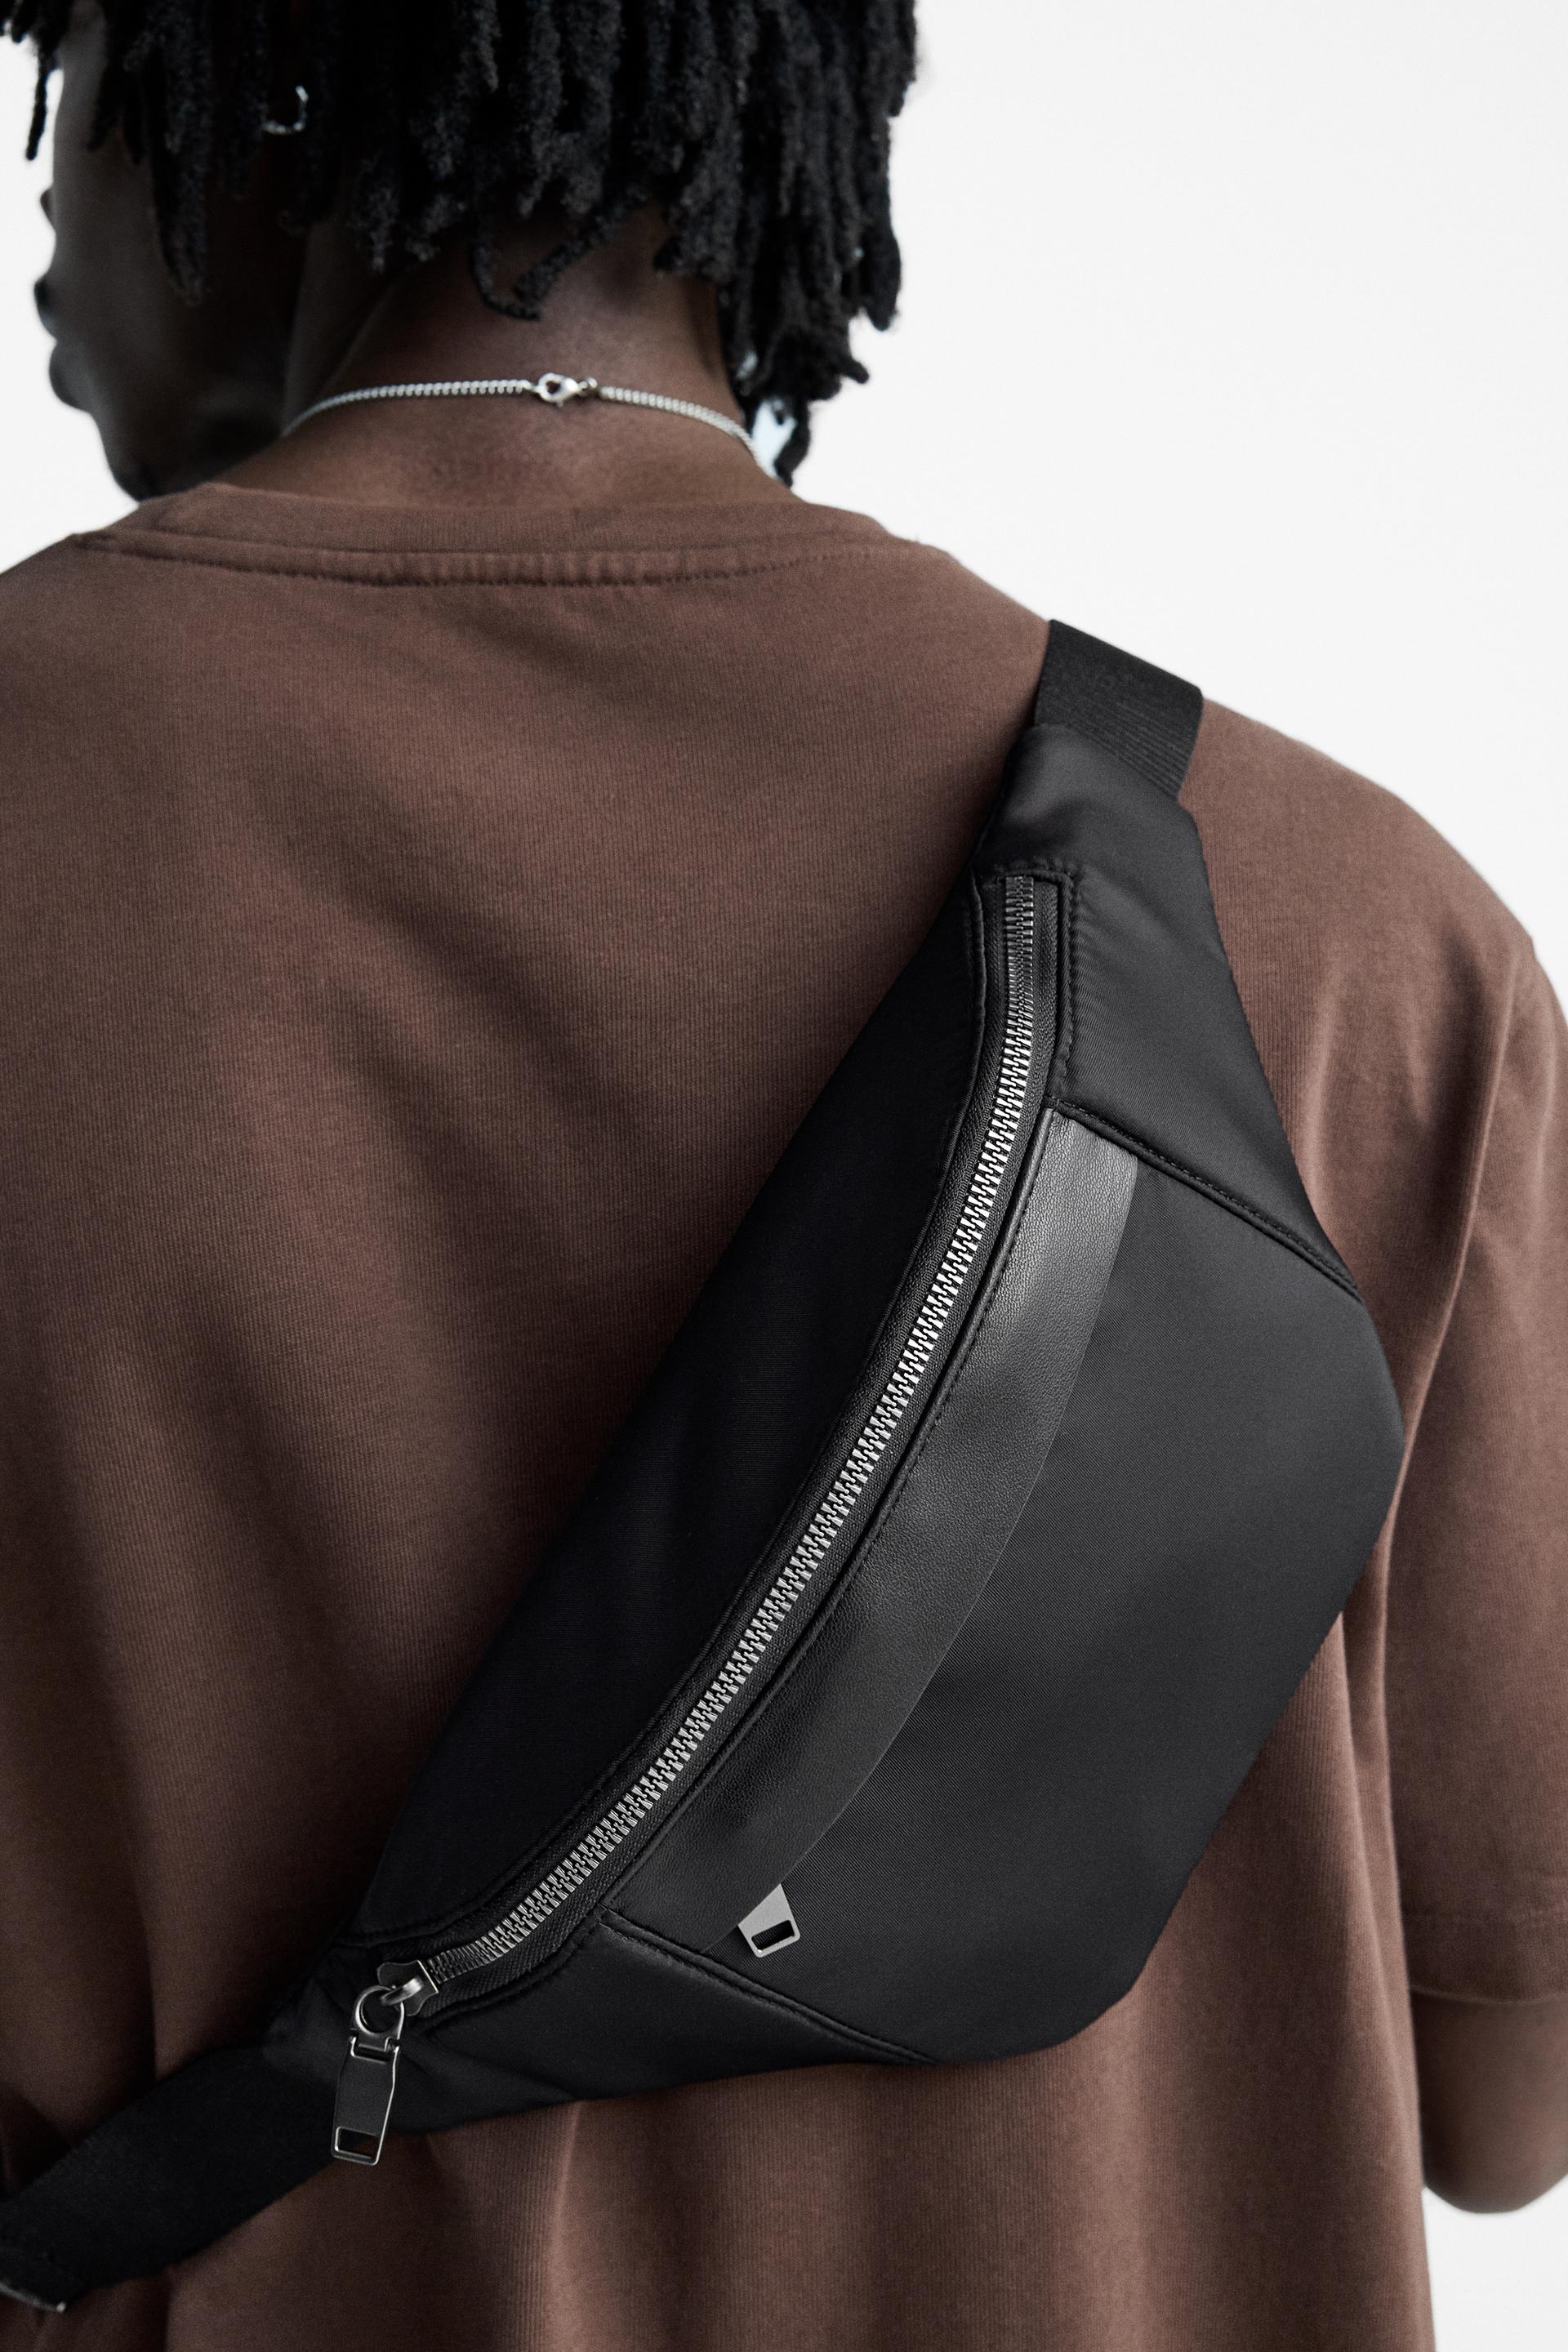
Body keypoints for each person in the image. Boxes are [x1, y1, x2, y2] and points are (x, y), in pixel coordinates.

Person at [0, 4, 1564, 2347]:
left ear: (266, 86)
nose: (41, 230)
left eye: (76, 79)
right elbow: (1511, 2094)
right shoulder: (1353, 933)